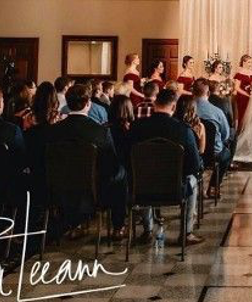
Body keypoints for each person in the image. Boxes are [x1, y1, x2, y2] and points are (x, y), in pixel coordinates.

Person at [48, 83, 127, 238]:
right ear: (88, 104)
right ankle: (118, 226)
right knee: (121, 173)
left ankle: (74, 223)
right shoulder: (100, 132)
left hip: (59, 187)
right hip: (94, 189)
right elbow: (111, 164)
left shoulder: (53, 131)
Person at [127, 88, 204, 246]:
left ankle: (147, 230)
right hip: (174, 188)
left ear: (155, 104)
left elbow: (127, 158)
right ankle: (186, 233)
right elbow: (194, 165)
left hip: (142, 188)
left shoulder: (136, 127)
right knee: (192, 180)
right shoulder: (183, 130)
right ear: (174, 107)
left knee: (141, 175)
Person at [193, 79, 232, 192]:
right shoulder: (217, 112)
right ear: (208, 93)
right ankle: (214, 186)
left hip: (191, 150)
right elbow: (226, 134)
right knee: (227, 154)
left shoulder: (186, 109)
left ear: (193, 92)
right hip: (213, 152)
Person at [107, 94, 135, 166]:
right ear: (129, 109)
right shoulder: (133, 129)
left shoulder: (105, 128)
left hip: (107, 166)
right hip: (128, 166)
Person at [232, 55, 252, 132]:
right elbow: (236, 88)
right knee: (243, 116)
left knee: (251, 116)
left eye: (251, 62)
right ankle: (241, 133)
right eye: (249, 62)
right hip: (242, 98)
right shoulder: (239, 73)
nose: (250, 64)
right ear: (244, 62)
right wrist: (247, 94)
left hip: (251, 97)